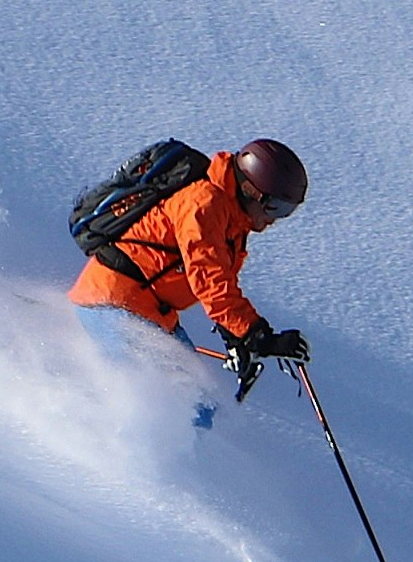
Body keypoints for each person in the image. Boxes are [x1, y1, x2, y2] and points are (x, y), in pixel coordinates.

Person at [70, 136, 313, 395]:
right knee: (172, 401)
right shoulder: (204, 205)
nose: (275, 220)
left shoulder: (233, 218)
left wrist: (236, 338)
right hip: (115, 302)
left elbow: (219, 283)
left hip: (147, 311)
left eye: (287, 212)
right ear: (252, 192)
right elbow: (209, 279)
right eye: (276, 208)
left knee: (198, 403)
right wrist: (257, 336)